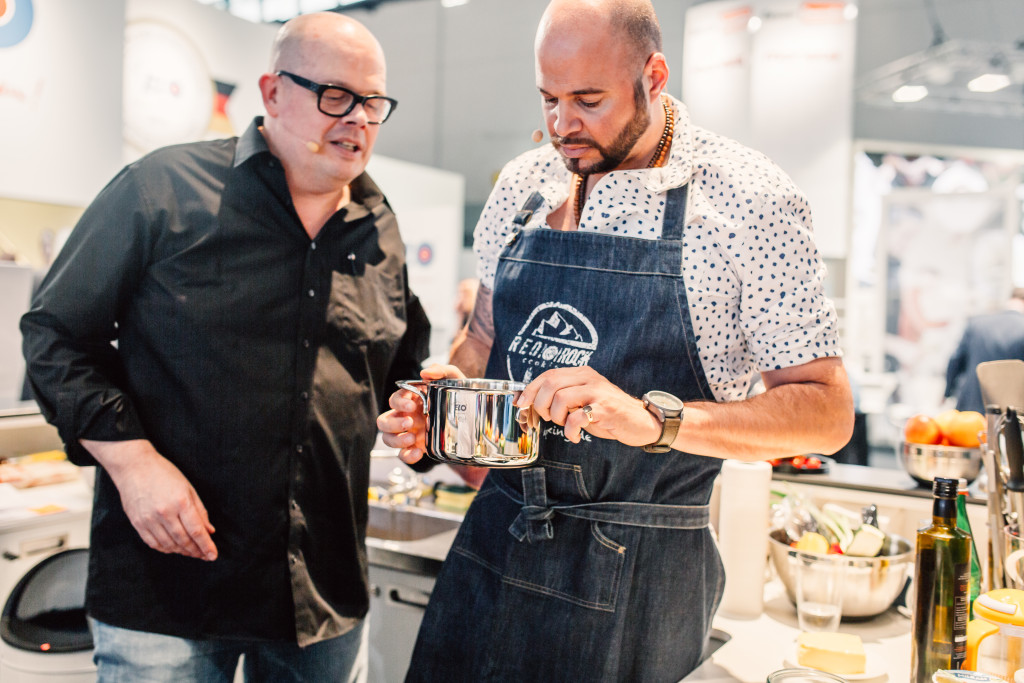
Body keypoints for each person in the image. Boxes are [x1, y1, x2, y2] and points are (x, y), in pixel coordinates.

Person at [376, 0, 853, 679]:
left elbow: (827, 412)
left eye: (588, 100)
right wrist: (444, 407)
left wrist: (652, 418)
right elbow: (481, 340)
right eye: (548, 99)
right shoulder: (522, 184)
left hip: (641, 574)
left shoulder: (750, 201)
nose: (562, 125)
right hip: (496, 543)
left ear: (653, 76)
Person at [20, 12, 429, 682]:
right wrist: (133, 463)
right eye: (336, 96)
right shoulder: (160, 190)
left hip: (320, 599)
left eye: (373, 102)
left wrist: (428, 412)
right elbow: (55, 333)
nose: (358, 118)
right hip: (167, 593)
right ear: (271, 92)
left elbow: (399, 376)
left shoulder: (379, 228)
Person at [945, 288, 1024, 413]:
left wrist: (947, 392)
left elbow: (956, 360)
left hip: (970, 406)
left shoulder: (976, 323)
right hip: (1008, 415)